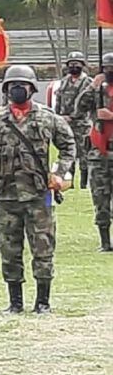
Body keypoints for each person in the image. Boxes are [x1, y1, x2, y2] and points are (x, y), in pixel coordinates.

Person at [0, 65, 74, 313]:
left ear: (32, 89)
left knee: (43, 247)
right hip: (6, 196)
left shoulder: (48, 118)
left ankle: (43, 302)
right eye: (12, 86)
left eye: (21, 85)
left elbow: (68, 147)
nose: (17, 89)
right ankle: (15, 302)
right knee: (8, 249)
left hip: (39, 196)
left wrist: (59, 173)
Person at [73, 53, 113, 252]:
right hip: (100, 152)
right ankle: (105, 241)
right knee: (100, 197)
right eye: (106, 68)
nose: (109, 72)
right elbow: (79, 107)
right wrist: (92, 88)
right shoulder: (98, 89)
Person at [56, 52, 90, 187]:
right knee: (67, 153)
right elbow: (59, 99)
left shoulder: (88, 82)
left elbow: (86, 103)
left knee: (83, 155)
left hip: (81, 124)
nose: (73, 66)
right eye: (71, 64)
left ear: (82, 65)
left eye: (76, 64)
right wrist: (58, 116)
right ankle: (69, 183)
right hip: (65, 124)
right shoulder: (64, 81)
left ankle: (83, 183)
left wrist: (73, 116)